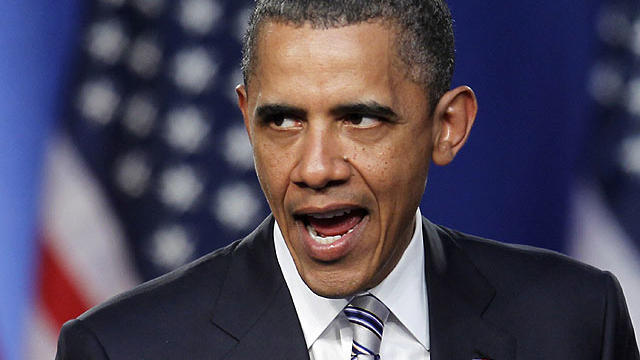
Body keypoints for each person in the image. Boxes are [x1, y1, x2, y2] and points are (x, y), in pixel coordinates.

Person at [56, 0, 639, 359]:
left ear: (447, 127)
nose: (315, 168)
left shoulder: (577, 325)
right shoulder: (122, 350)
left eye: (359, 118)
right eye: (282, 120)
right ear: (245, 120)